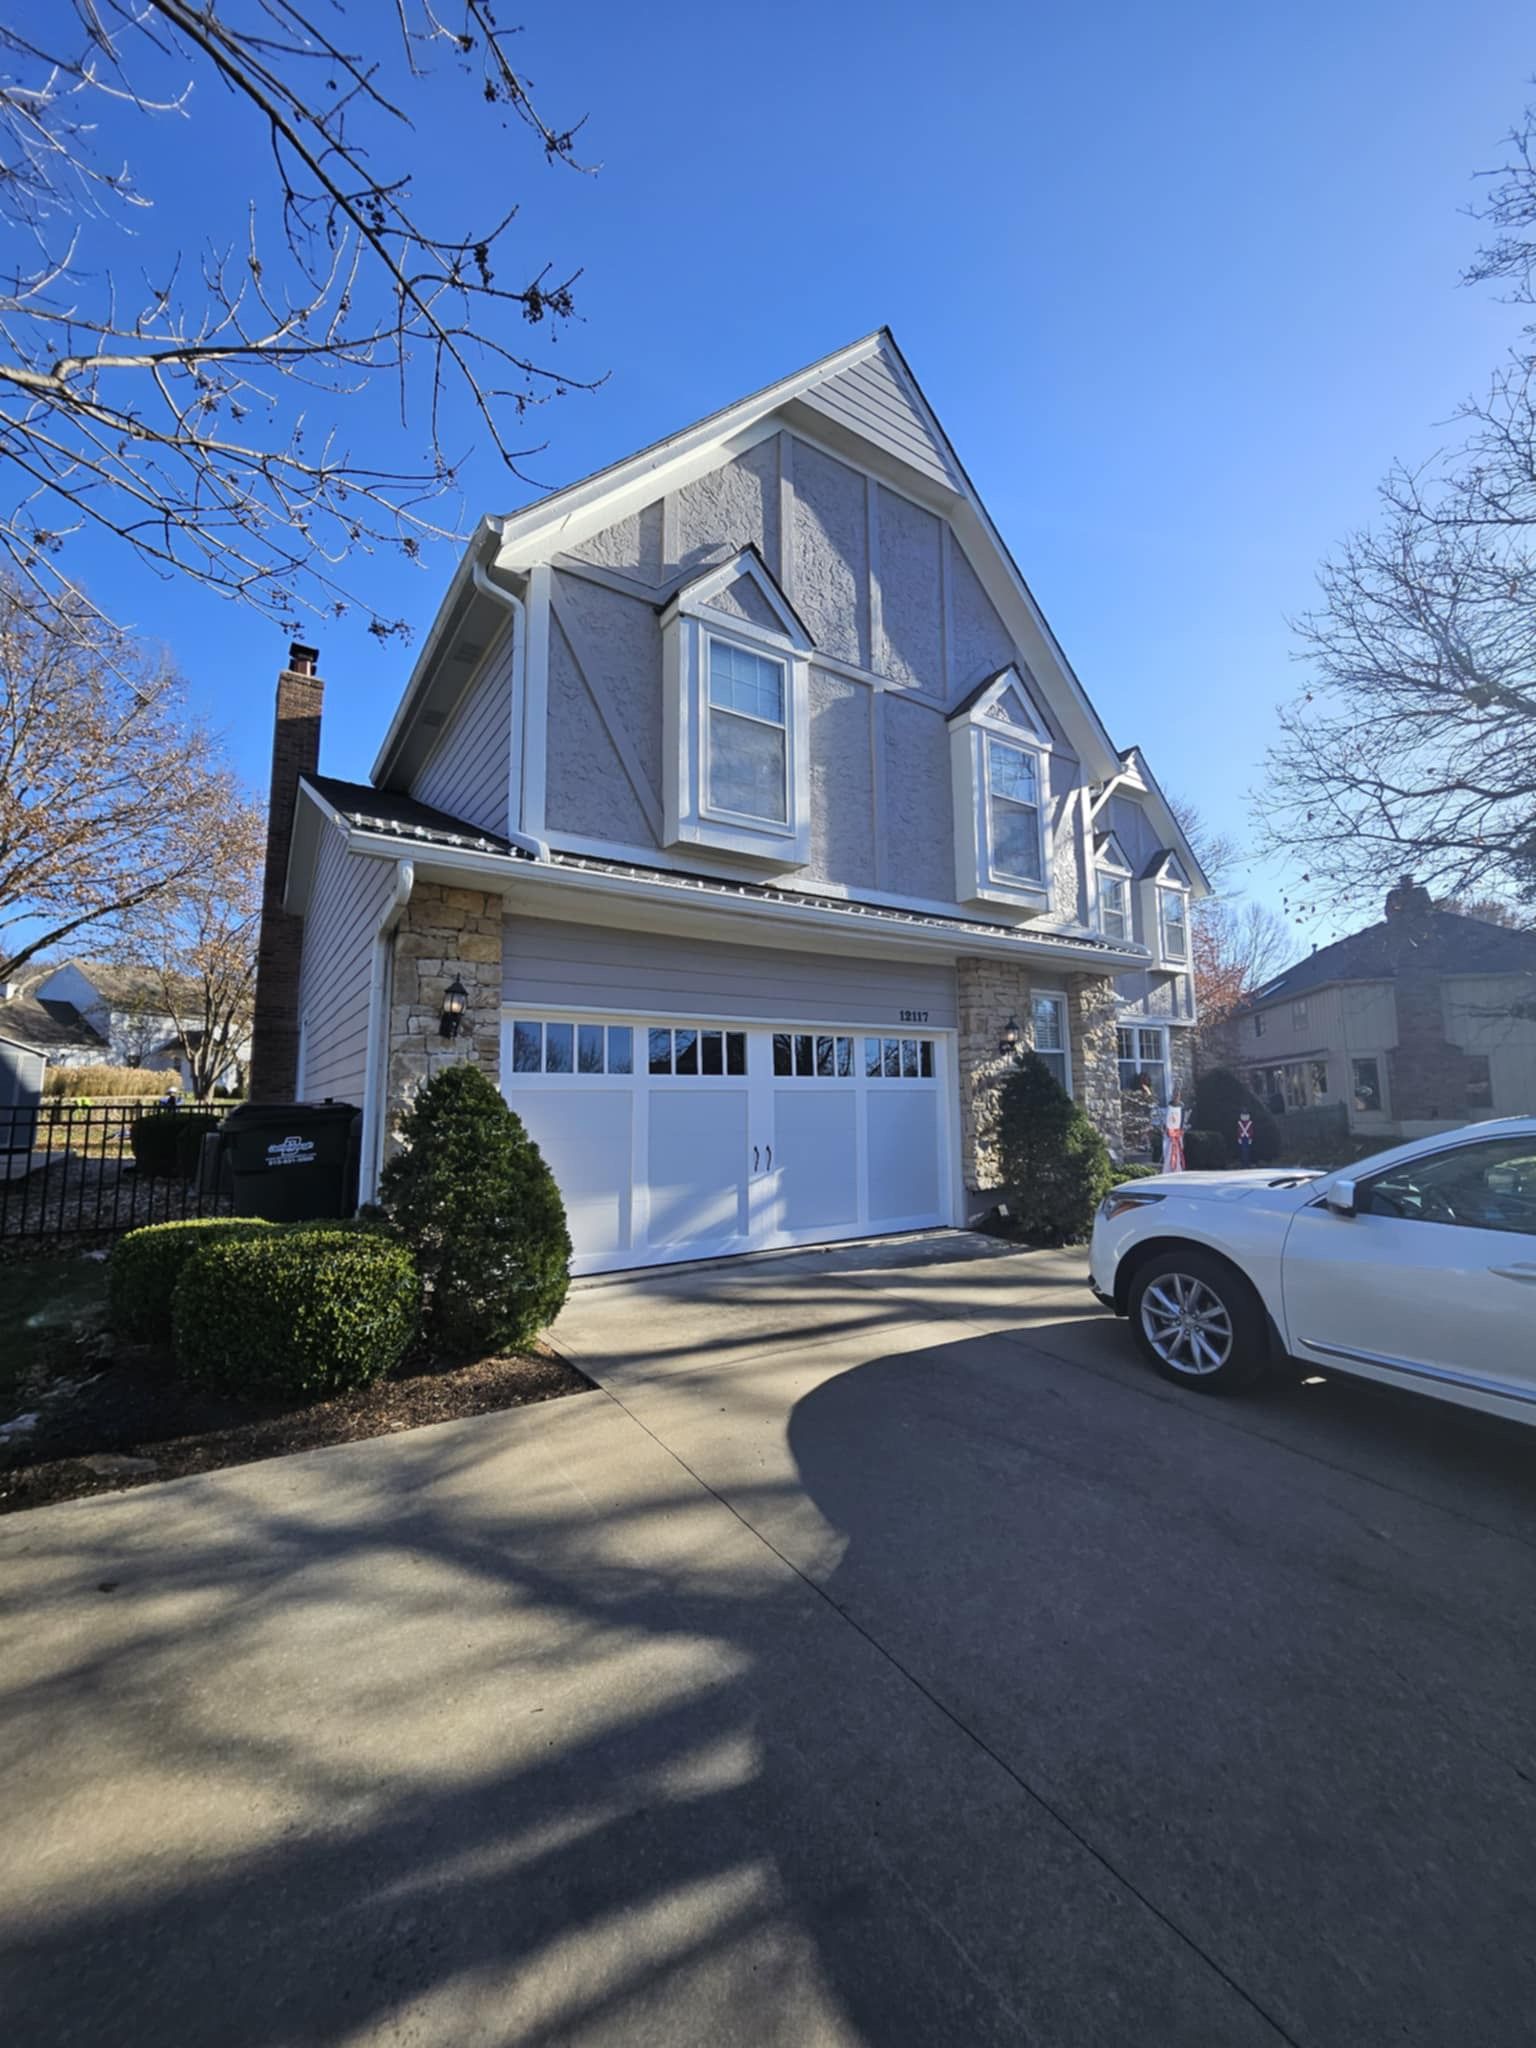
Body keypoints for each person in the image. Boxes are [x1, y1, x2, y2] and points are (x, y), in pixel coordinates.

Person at [1162, 1089, 1186, 1173]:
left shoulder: (1182, 1106)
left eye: (1178, 1095)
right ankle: (1168, 1167)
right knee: (1169, 1150)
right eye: (1175, 1095)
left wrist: (1181, 1130)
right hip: (1169, 1132)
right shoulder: (1169, 1105)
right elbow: (1167, 1119)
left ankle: (1177, 1167)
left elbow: (1182, 1119)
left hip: (1177, 1132)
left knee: (1178, 1150)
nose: (1176, 1096)